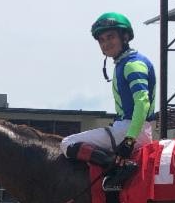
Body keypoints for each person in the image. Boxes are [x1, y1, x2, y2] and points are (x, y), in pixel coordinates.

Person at [60, 12, 157, 190]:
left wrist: (129, 141)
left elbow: (142, 103)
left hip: (131, 129)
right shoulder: (125, 63)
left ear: (125, 36)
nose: (105, 43)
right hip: (133, 128)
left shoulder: (132, 64)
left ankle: (118, 165)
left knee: (67, 143)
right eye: (102, 40)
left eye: (110, 37)